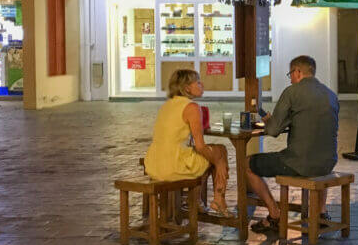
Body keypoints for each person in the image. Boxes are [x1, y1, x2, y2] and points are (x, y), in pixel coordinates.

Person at [248, 55, 339, 234]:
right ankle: (321, 213)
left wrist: (269, 121)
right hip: (328, 162)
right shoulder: (331, 95)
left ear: (298, 72)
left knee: (247, 164)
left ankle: (274, 214)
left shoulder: (292, 92)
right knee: (317, 157)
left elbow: (273, 131)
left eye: (290, 74)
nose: (290, 78)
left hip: (298, 162)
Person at [144, 69, 230, 216]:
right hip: (173, 165)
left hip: (154, 163)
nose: (202, 85)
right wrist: (219, 162)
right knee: (219, 152)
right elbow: (200, 145)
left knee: (214, 155)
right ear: (187, 87)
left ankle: (199, 201)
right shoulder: (191, 107)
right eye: (198, 82)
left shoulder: (167, 105)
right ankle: (217, 199)